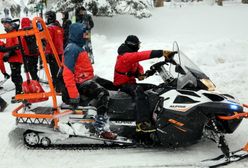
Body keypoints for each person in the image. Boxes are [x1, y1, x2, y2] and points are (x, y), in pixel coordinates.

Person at [62, 23, 117, 140]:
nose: (86, 36)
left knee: (114, 86)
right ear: (78, 34)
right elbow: (67, 73)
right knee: (103, 94)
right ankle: (101, 128)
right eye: (84, 34)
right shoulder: (71, 49)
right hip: (81, 82)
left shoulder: (77, 46)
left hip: (87, 78)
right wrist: (73, 94)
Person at [113, 35, 177, 133]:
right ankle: (142, 123)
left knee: (155, 89)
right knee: (138, 90)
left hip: (131, 83)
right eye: (138, 44)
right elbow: (141, 56)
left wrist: (141, 74)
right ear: (133, 45)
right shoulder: (125, 56)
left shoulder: (131, 56)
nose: (139, 46)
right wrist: (161, 52)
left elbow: (138, 66)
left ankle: (156, 117)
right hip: (122, 85)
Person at [0, 17, 23, 103]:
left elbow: (17, 46)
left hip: (16, 58)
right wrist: (3, 47)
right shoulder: (9, 34)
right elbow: (9, 45)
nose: (4, 26)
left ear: (10, 24)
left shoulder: (14, 33)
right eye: (3, 24)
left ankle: (20, 94)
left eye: (5, 24)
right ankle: (19, 93)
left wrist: (8, 53)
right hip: (13, 59)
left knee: (16, 77)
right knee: (15, 77)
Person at [44, 11, 64, 92]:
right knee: (59, 70)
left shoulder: (50, 28)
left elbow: (49, 41)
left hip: (53, 52)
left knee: (54, 70)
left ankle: (57, 87)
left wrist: (47, 52)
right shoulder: (58, 27)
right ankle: (59, 85)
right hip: (60, 51)